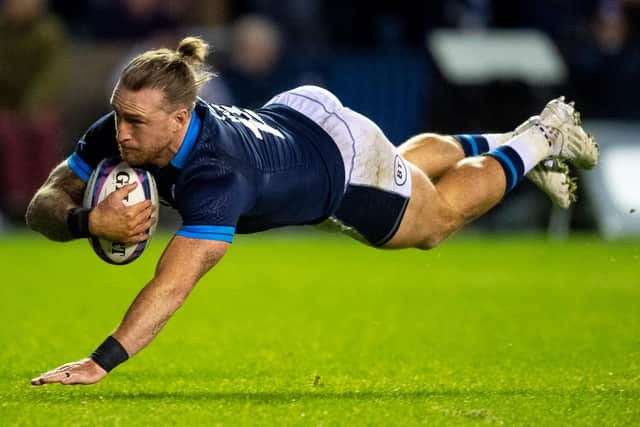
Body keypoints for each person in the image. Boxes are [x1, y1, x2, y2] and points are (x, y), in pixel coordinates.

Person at [26, 36, 598, 386]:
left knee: (434, 221)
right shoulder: (122, 131)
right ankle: (507, 139)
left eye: (135, 123)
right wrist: (85, 221)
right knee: (407, 173)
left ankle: (542, 136)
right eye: (118, 116)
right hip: (298, 118)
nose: (119, 134)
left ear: (180, 120)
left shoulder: (216, 178)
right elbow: (42, 205)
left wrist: (99, 362)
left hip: (341, 165)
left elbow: (172, 285)